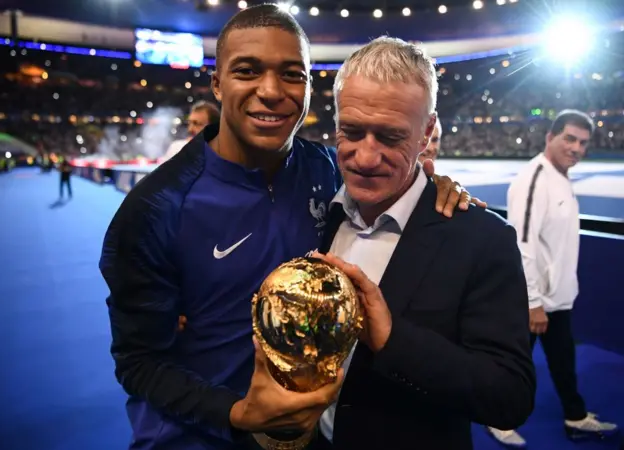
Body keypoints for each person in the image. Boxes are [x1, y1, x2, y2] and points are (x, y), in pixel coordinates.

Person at [99, 6, 481, 450]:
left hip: (304, 436)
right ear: (217, 84)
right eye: (247, 70)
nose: (271, 91)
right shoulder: (156, 208)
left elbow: (396, 189)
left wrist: (436, 185)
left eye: (292, 74)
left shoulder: (327, 172)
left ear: (308, 87)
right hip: (194, 439)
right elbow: (137, 362)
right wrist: (235, 414)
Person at [308, 36, 536, 450]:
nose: (365, 157)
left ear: (427, 131)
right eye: (352, 131)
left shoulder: (482, 239)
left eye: (391, 137)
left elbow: (509, 397)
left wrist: (393, 340)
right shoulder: (316, 213)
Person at [487, 110, 619, 447]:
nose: (576, 148)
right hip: (535, 302)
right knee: (514, 365)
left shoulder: (561, 177)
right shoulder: (535, 180)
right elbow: (523, 245)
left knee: (563, 361)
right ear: (551, 137)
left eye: (583, 143)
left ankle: (575, 417)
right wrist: (533, 304)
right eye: (570, 139)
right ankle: (496, 419)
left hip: (556, 300)